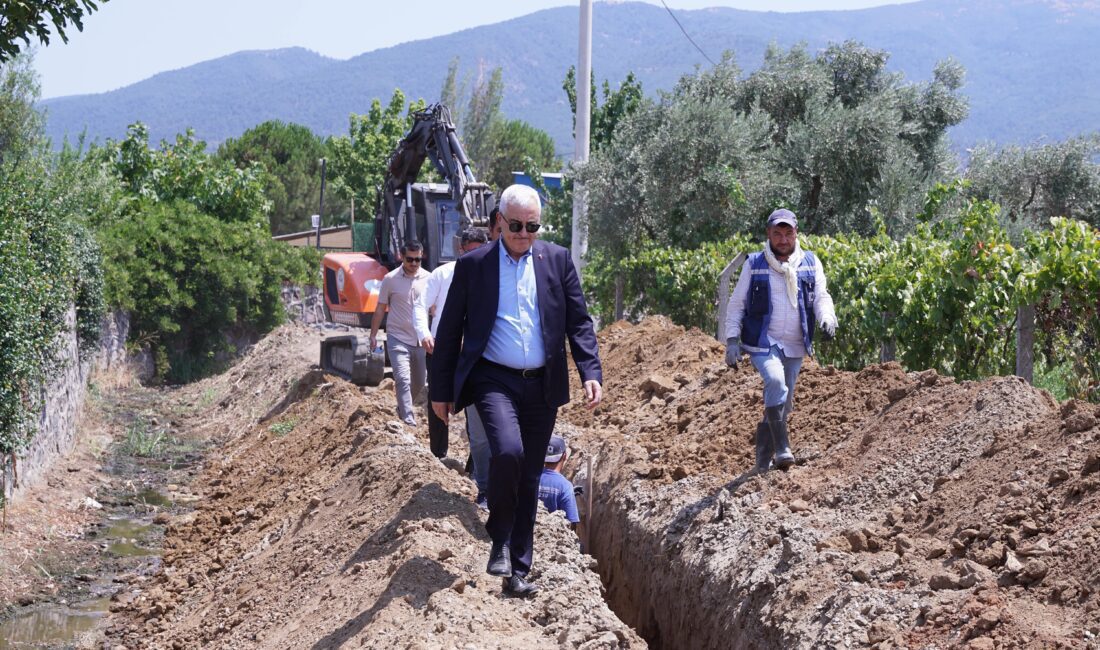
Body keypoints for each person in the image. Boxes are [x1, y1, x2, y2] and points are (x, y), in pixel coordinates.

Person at [430, 184, 603, 598]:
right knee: (508, 451)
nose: (525, 233)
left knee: (530, 476)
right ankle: (499, 536)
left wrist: (589, 370)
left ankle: (516, 569)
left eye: (533, 226)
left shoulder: (556, 261)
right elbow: (450, 328)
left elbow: (578, 321)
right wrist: (440, 389)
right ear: (500, 223)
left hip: (541, 383)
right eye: (517, 226)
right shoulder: (474, 266)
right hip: (493, 378)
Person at [724, 208, 837, 473]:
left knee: (784, 402)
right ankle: (783, 450)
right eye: (777, 233)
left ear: (796, 233)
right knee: (775, 382)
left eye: (788, 233)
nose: (783, 239)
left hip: (795, 343)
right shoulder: (755, 264)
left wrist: (827, 318)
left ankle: (762, 462)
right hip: (764, 341)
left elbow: (821, 296)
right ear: (769, 234)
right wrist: (731, 340)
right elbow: (737, 304)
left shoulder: (810, 262)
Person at [414, 228, 491, 508]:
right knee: (439, 402)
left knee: (479, 418)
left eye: (477, 251)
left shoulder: (496, 275)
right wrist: (424, 333)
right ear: (461, 250)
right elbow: (421, 304)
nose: (473, 257)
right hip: (444, 350)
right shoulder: (444, 274)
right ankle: (438, 452)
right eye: (468, 251)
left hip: (477, 356)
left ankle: (480, 475)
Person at [370, 241, 430, 427]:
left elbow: (435, 309)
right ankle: (407, 418)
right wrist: (373, 335)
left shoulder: (429, 278)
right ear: (401, 258)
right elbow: (380, 309)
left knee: (420, 383)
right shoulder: (390, 279)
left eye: (417, 259)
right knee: (403, 378)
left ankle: (402, 407)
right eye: (410, 259)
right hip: (397, 337)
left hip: (420, 340)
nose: (414, 263)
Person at [537, 434, 579, 530]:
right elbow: (571, 523)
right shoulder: (565, 486)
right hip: (552, 540)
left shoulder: (531, 478)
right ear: (564, 456)